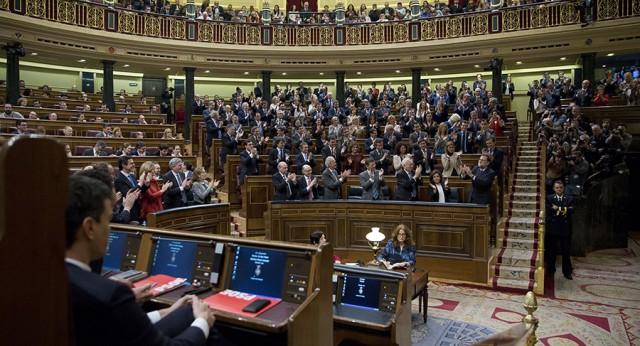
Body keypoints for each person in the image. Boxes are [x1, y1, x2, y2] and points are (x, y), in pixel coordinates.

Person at [65, 175, 216, 346]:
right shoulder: (110, 294)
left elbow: (110, 327)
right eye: (108, 220)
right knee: (206, 325)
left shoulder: (51, 281)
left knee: (184, 313)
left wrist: (167, 311)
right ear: (90, 228)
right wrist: (203, 321)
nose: (111, 229)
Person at [545, 180, 575, 280]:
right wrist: (564, 210)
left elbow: (572, 210)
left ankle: (567, 272)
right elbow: (549, 210)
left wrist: (557, 209)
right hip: (553, 229)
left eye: (561, 187)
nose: (559, 189)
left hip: (565, 229)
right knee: (551, 251)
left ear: (564, 188)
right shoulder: (549, 198)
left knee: (566, 252)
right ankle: (550, 271)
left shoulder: (570, 198)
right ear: (554, 188)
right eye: (557, 187)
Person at [113, 156, 149, 223]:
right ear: (123, 165)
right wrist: (140, 183)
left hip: (137, 207)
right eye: (131, 163)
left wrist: (146, 184)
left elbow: (139, 191)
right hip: (128, 210)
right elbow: (129, 194)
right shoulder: (118, 180)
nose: (134, 165)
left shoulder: (132, 176)